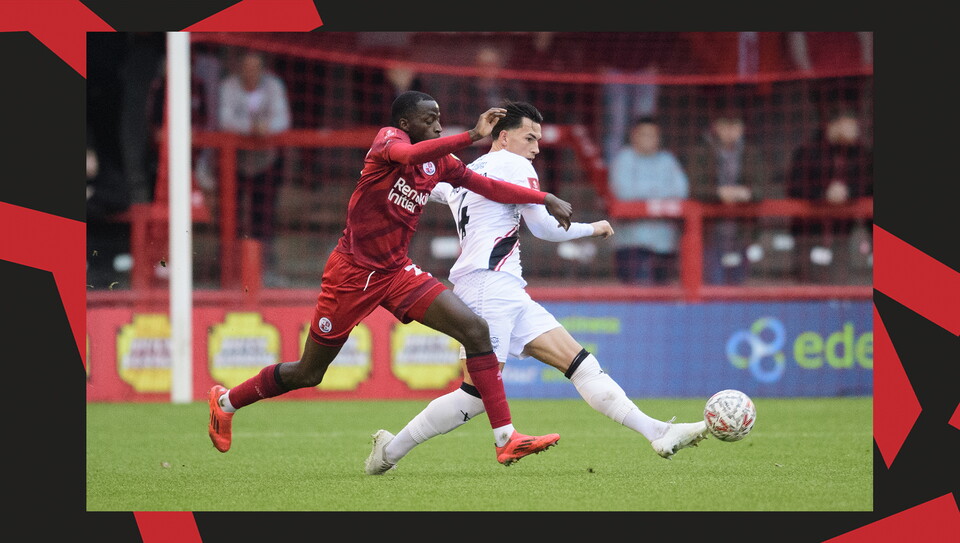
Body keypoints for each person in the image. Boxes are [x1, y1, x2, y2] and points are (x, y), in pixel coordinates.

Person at [208, 91, 575, 467]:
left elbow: (489, 188)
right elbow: (409, 156)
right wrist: (470, 135)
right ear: (405, 124)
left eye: (438, 118)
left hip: (396, 272)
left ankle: (505, 439)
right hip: (351, 275)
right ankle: (226, 402)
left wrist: (543, 198)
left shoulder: (440, 164)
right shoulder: (388, 143)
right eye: (428, 119)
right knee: (309, 372)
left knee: (476, 331)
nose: (435, 125)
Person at [364, 101, 709, 475]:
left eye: (539, 139)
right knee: (476, 395)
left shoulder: (464, 172)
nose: (536, 147)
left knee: (581, 364)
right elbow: (544, 228)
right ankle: (389, 453)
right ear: (504, 136)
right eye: (530, 137)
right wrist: (594, 228)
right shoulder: (514, 164)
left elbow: (432, 188)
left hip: (505, 287)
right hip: (487, 286)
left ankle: (658, 431)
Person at [218, 48, 292, 283]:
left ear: (262, 68)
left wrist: (265, 130)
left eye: (255, 67)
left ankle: (265, 269)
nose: (251, 72)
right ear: (239, 68)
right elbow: (223, 119)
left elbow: (283, 120)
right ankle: (230, 271)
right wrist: (250, 129)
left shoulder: (274, 86)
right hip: (234, 163)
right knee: (232, 217)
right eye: (246, 67)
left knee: (264, 216)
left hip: (266, 161)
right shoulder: (228, 86)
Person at [786, 107, 873, 283]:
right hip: (809, 233)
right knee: (809, 285)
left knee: (839, 284)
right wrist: (824, 195)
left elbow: (869, 185)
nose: (855, 130)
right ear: (834, 125)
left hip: (842, 232)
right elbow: (794, 187)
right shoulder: (808, 152)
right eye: (850, 125)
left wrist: (848, 192)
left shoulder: (862, 154)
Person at [685, 112, 769, 285]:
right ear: (717, 127)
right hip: (709, 233)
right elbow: (692, 188)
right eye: (726, 125)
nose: (730, 131)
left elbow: (764, 187)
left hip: (742, 232)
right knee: (713, 286)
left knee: (738, 287)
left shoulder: (751, 153)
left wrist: (748, 193)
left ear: (742, 129)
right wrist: (718, 193)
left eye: (735, 126)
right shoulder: (701, 151)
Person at [608, 116, 689, 284]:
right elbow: (624, 193)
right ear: (634, 136)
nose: (648, 139)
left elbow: (681, 191)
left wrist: (645, 197)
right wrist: (659, 196)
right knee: (636, 299)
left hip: (665, 243)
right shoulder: (624, 158)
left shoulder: (668, 160)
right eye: (644, 134)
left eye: (653, 135)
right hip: (631, 243)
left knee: (662, 297)